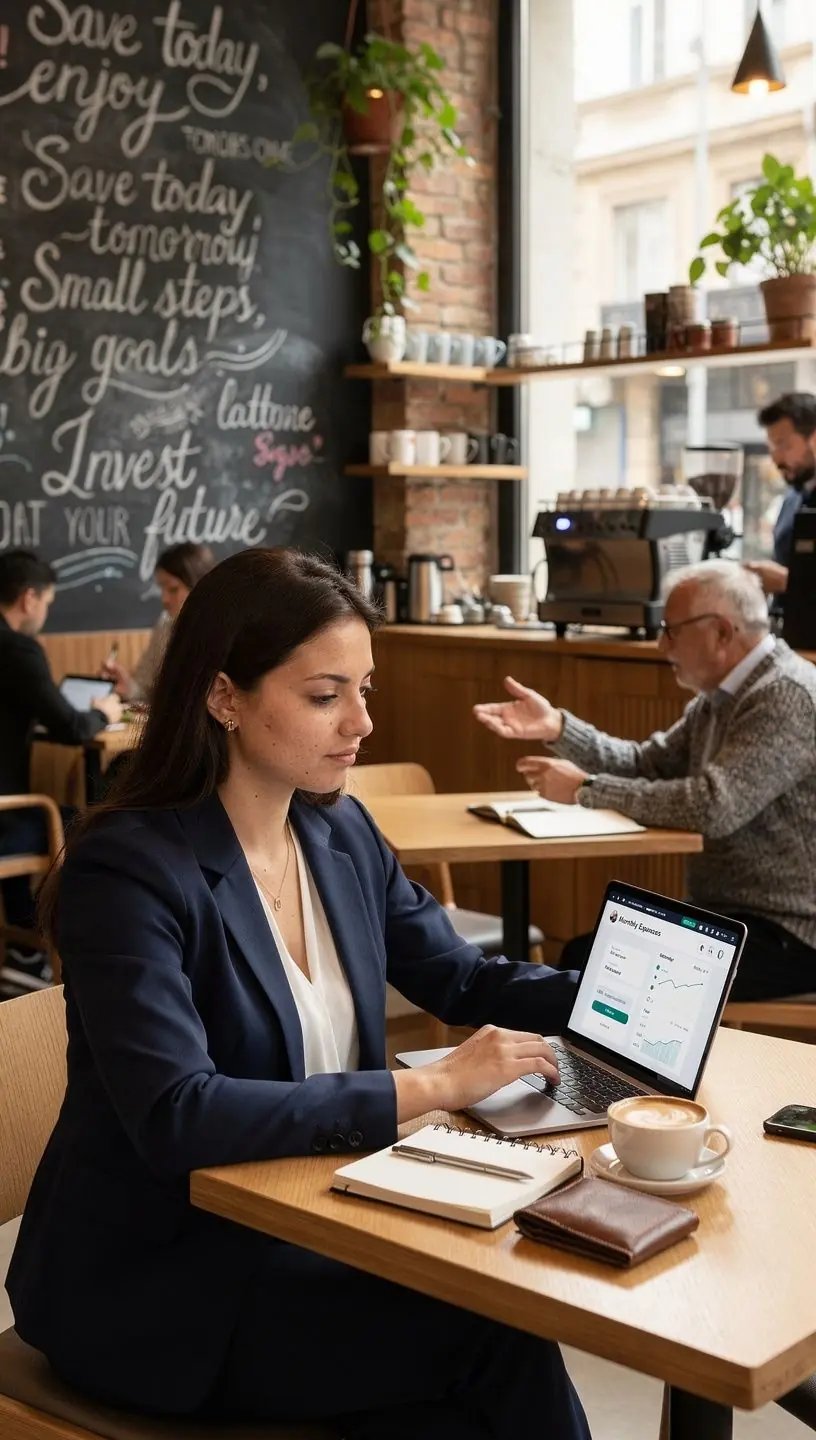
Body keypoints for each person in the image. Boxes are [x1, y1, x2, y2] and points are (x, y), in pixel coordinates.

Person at [8, 547, 589, 1439]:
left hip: (312, 1229)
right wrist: (430, 1087)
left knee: (499, 1326)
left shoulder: (338, 829)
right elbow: (179, 1114)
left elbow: (461, 976)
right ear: (223, 696)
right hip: (160, 1283)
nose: (360, 721)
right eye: (325, 696)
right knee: (496, 1346)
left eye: (366, 689)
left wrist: (615, 997)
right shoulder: (126, 871)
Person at [474, 562, 816, 1003]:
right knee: (588, 959)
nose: (661, 644)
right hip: (733, 919)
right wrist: (557, 727)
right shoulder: (722, 697)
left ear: (723, 633)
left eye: (671, 630)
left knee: (590, 966)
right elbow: (644, 763)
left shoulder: (785, 695)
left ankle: (576, 1071)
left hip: (792, 934)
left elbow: (713, 805)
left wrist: (586, 790)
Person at [0, 550, 122, 975]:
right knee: (89, 823)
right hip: (5, 818)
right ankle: (79, 952)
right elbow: (72, 726)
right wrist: (104, 711)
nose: (45, 612)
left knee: (35, 812)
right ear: (29, 598)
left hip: (8, 809)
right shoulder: (17, 649)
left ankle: (23, 949)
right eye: (48, 602)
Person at [102, 542, 216, 702]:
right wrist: (128, 686)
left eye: (173, 589)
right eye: (161, 589)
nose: (164, 599)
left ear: (199, 585)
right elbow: (146, 689)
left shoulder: (223, 630)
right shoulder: (165, 624)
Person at [744, 392, 816, 601]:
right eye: (772, 447)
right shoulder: (791, 499)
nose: (775, 457)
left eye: (783, 444)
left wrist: (785, 581)